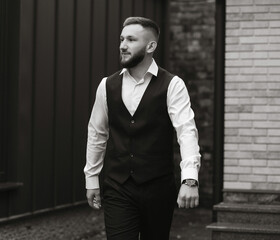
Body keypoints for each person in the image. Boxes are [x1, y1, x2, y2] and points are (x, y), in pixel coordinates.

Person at [84, 16, 201, 239]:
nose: (122, 45)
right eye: (121, 39)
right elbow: (97, 134)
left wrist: (190, 179)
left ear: (151, 46)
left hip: (158, 187)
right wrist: (91, 179)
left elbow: (186, 132)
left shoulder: (172, 85)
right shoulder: (106, 85)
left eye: (130, 39)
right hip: (118, 187)